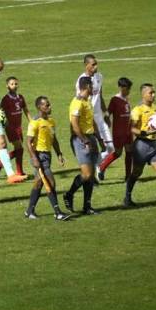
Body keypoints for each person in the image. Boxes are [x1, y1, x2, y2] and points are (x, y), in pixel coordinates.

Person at [24, 96, 71, 221]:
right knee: (50, 182)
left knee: (39, 183)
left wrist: (59, 154)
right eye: (47, 105)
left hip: (47, 155)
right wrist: (34, 158)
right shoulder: (35, 122)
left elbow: (53, 139)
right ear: (40, 107)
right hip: (39, 155)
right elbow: (28, 142)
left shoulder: (51, 122)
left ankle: (29, 211)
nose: (50, 107)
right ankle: (57, 212)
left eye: (49, 105)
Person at [62, 77, 100, 215]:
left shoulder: (87, 101)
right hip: (80, 139)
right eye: (92, 85)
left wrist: (99, 138)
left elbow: (92, 121)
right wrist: (84, 140)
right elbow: (75, 125)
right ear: (87, 86)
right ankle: (69, 194)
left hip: (90, 137)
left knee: (90, 175)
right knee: (87, 174)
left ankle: (87, 206)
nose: (94, 88)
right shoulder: (77, 103)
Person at [76, 54, 113, 180]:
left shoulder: (99, 77)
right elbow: (80, 101)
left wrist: (106, 113)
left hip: (100, 118)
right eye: (93, 64)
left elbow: (100, 96)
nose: (96, 66)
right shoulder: (81, 81)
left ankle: (98, 166)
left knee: (111, 147)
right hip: (89, 120)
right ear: (86, 65)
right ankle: (94, 170)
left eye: (96, 64)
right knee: (93, 148)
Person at [97, 77, 133, 182]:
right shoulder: (115, 100)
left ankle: (128, 176)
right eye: (127, 88)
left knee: (129, 152)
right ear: (121, 87)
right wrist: (107, 120)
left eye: (129, 88)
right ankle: (102, 167)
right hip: (119, 132)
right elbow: (108, 113)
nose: (128, 90)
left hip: (128, 131)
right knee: (118, 153)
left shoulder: (127, 99)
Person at [0, 76, 30, 179]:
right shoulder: (6, 99)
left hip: (18, 127)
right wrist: (4, 123)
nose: (14, 86)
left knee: (19, 149)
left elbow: (25, 110)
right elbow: (0, 111)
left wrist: (31, 122)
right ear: (7, 86)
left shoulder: (20, 97)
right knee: (19, 148)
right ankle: (19, 172)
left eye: (16, 84)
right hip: (10, 127)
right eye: (12, 84)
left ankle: (0, 163)